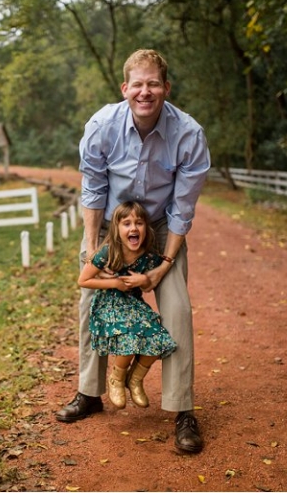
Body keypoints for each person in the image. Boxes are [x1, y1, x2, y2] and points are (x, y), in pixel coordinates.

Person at [55, 49, 211, 454]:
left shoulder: (188, 134)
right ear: (125, 88)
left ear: (166, 88)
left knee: (176, 309)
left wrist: (164, 266)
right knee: (92, 303)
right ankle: (90, 393)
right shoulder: (101, 126)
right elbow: (93, 190)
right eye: (137, 84)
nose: (146, 92)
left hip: (159, 229)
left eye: (153, 83)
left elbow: (182, 208)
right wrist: (94, 252)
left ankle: (182, 410)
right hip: (111, 226)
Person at [78, 200, 177, 410]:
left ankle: (135, 380)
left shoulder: (149, 255)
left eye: (139, 223)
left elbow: (150, 285)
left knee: (158, 338)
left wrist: (144, 280)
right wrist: (113, 283)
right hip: (109, 305)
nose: (133, 228)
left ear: (146, 228)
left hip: (133, 304)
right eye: (127, 223)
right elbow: (83, 281)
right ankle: (116, 378)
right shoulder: (108, 252)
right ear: (117, 229)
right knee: (130, 338)